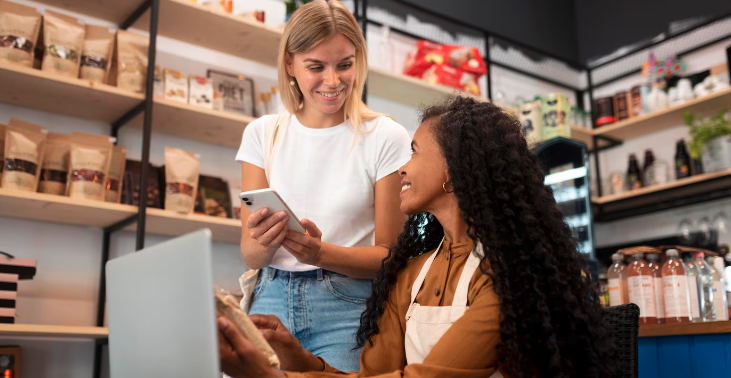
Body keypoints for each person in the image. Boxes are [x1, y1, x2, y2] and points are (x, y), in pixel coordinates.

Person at [221, 96, 614, 378]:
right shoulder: (413, 273)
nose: (402, 168)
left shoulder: (507, 277)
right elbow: (374, 375)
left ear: (453, 170)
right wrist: (297, 359)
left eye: (413, 152)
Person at [235, 0, 411, 372]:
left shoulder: (384, 136)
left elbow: (389, 256)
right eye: (316, 67)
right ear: (289, 64)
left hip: (349, 307)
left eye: (344, 65)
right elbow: (251, 256)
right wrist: (265, 242)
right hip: (269, 300)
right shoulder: (262, 135)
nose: (333, 81)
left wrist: (320, 254)